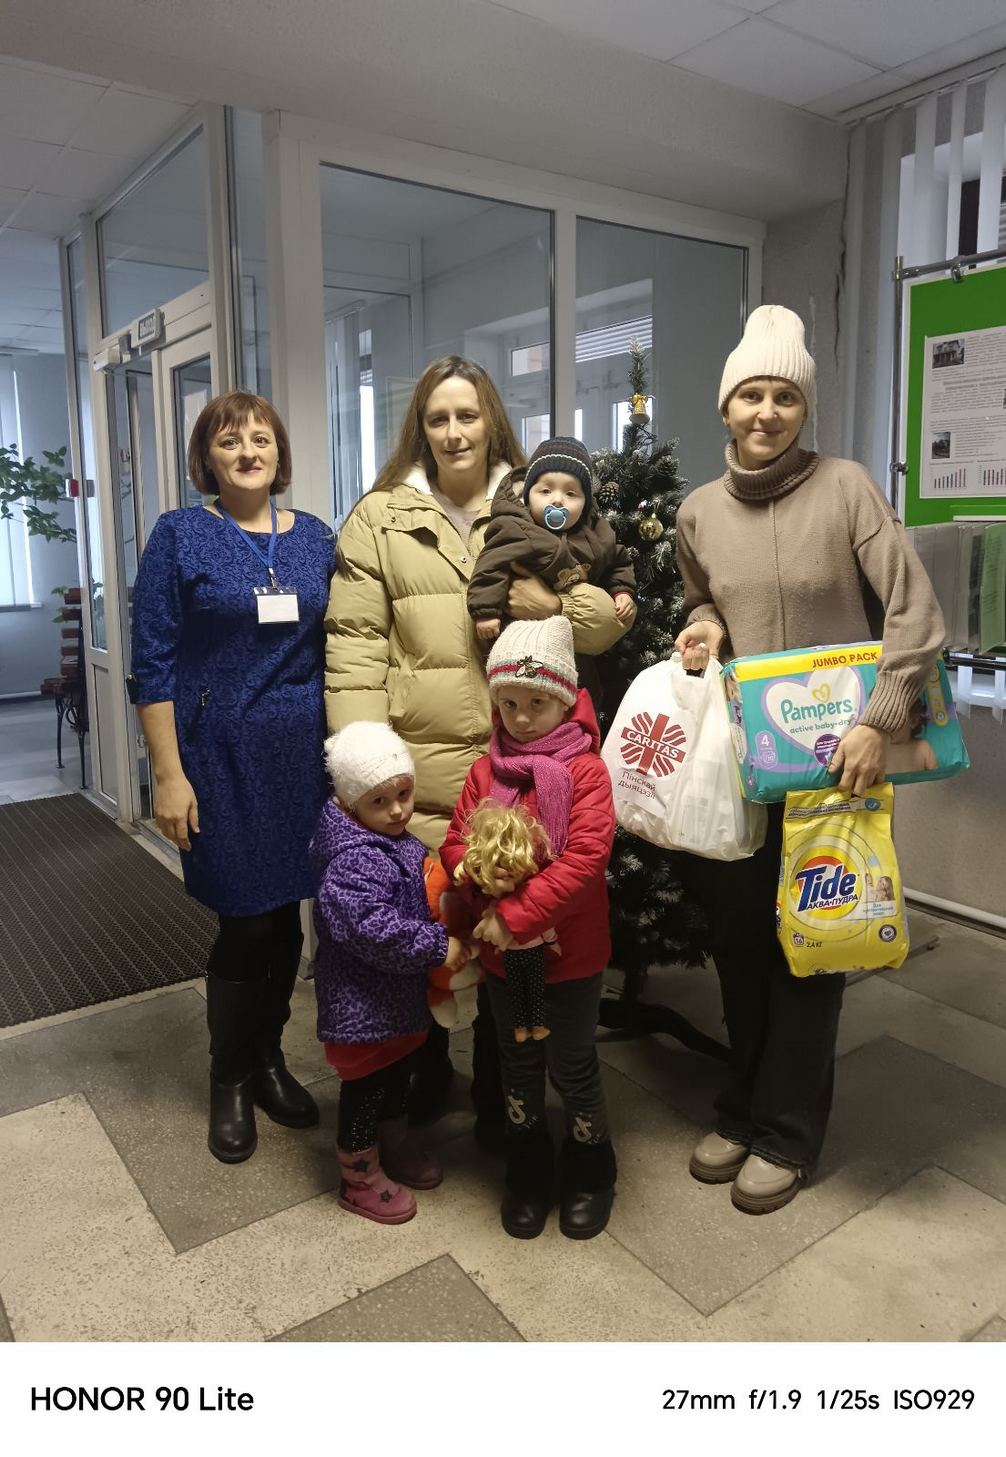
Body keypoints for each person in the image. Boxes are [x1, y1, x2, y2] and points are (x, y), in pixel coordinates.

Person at [674, 305, 944, 1214]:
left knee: (815, 945)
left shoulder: (848, 489)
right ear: (726, 406)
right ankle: (744, 1106)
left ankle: (786, 1133)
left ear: (804, 407)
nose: (767, 412)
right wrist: (706, 629)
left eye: (784, 396)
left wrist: (881, 717)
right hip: (745, 767)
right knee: (741, 942)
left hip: (841, 766)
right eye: (751, 394)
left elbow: (914, 610)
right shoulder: (698, 512)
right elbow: (703, 601)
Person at [325, 357, 628, 1137]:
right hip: (418, 769)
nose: (454, 431)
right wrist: (365, 767)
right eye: (438, 418)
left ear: (492, 420)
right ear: (420, 429)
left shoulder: (542, 500)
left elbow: (604, 624)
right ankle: (425, 1080)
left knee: (512, 932)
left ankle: (503, 1096)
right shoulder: (379, 518)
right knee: (431, 925)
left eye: (467, 415)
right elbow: (356, 645)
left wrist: (551, 600)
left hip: (520, 764)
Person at [129, 390, 334, 1164]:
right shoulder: (180, 536)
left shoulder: (315, 537)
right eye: (229, 441)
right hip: (217, 758)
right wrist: (168, 773)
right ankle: (230, 1076)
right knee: (246, 921)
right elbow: (152, 664)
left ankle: (271, 1055)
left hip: (302, 760)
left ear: (280, 453)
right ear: (206, 459)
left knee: (287, 920)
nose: (248, 451)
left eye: (261, 438)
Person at [441, 617, 618, 1241]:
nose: (520, 718)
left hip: (569, 957)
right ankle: (528, 1169)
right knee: (519, 1062)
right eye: (509, 704)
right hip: (509, 962)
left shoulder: (586, 773)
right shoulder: (485, 771)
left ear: (565, 700)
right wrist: (469, 871)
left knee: (571, 1063)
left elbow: (584, 859)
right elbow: (457, 838)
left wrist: (514, 915)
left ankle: (592, 1167)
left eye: (536, 704)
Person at [312, 721, 472, 1224]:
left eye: (404, 794)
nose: (399, 810)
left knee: (398, 1077)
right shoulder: (352, 862)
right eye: (380, 801)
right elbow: (373, 929)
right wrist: (436, 945)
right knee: (365, 1092)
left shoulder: (391, 837)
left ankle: (392, 1145)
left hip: (397, 1003)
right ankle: (358, 1177)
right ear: (350, 803)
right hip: (361, 1010)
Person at [466, 435, 636, 643]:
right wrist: (486, 611)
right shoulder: (515, 528)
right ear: (528, 496)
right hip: (521, 632)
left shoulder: (597, 535)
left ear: (585, 503)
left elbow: (618, 562)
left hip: (573, 637)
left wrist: (621, 591)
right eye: (545, 491)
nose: (557, 500)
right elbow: (491, 565)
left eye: (571, 494)